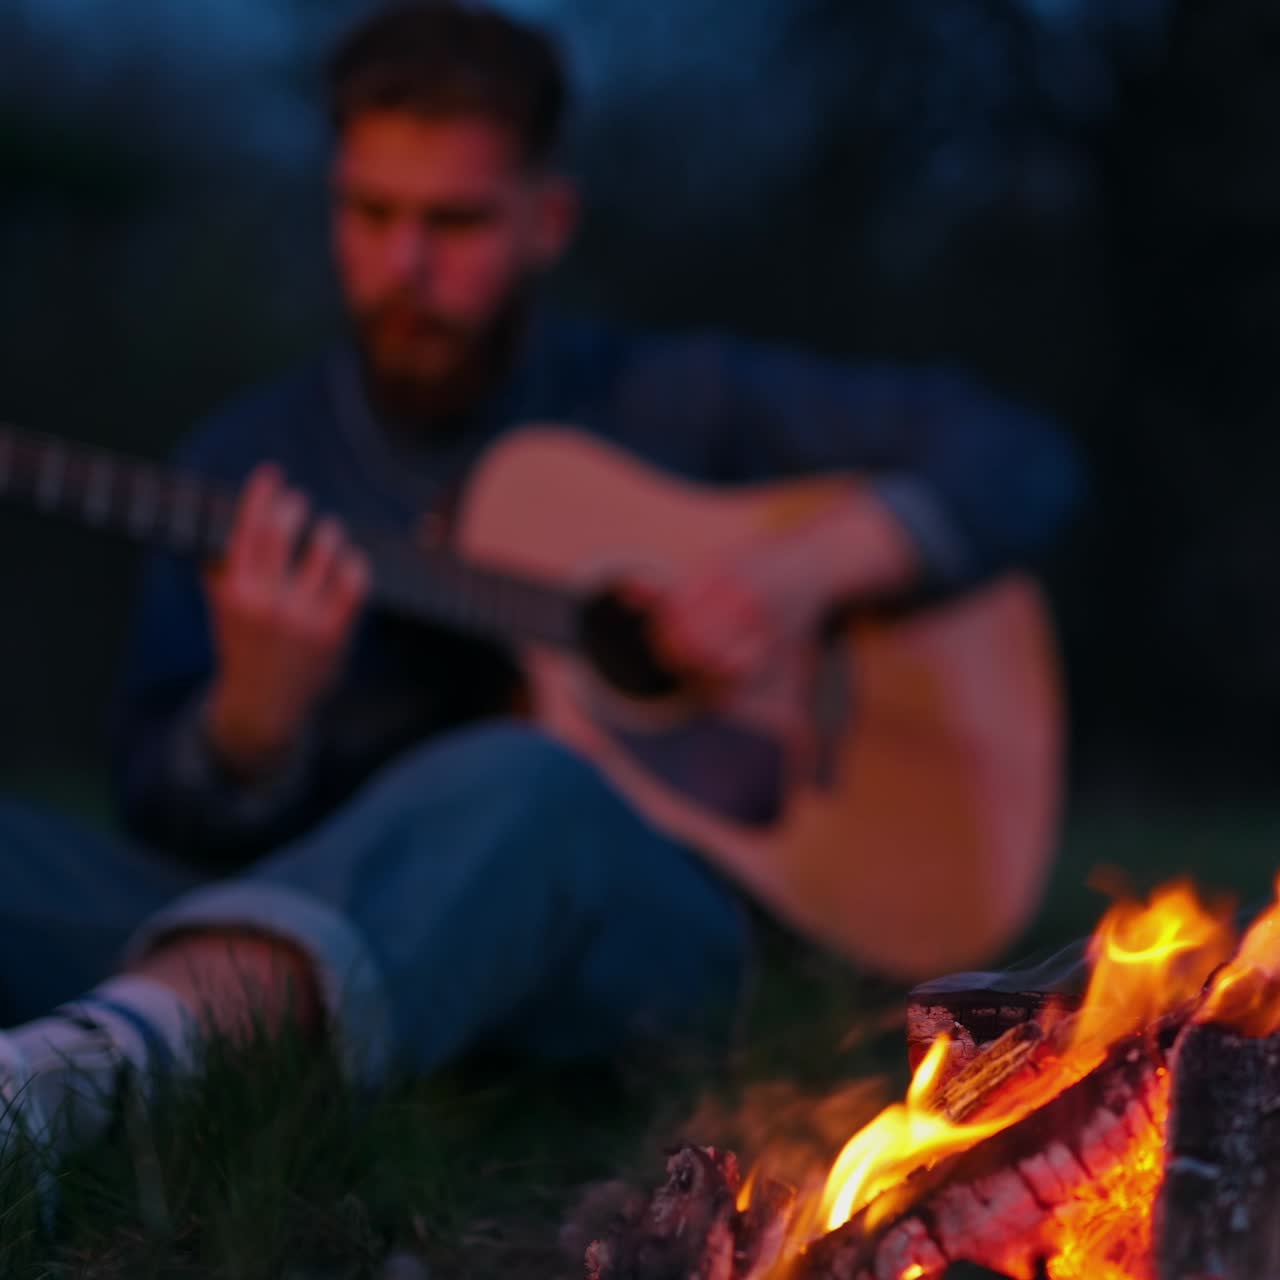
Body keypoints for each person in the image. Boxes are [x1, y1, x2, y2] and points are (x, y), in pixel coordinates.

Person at [1, 0, 1082, 1178]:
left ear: (546, 219)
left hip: (636, 934)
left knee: (524, 778)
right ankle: (166, 1038)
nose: (403, 264)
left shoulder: (671, 399)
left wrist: (798, 574)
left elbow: (1014, 454)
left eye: (453, 222)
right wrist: (246, 735)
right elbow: (161, 816)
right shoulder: (242, 468)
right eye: (369, 214)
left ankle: (102, 1073)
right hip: (307, 934)